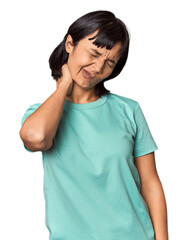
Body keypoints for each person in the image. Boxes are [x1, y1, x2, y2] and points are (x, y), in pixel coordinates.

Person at [19, 10, 168, 240]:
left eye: (109, 62)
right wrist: (64, 84)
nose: (98, 68)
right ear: (70, 43)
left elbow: (150, 183)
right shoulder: (40, 115)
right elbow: (37, 137)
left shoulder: (129, 110)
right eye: (94, 53)